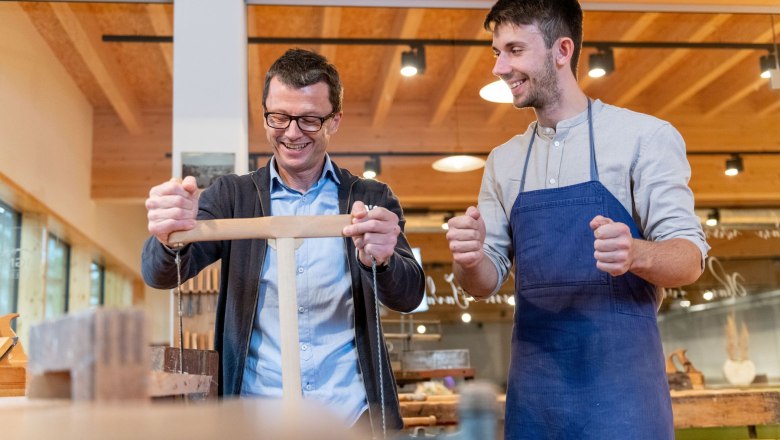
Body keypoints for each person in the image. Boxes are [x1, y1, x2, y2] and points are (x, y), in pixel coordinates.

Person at [445, 1, 710, 438]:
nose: (498, 67)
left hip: (625, 399)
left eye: (513, 50)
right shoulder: (503, 162)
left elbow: (689, 259)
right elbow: (482, 283)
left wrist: (635, 253)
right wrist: (469, 258)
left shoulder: (644, 138)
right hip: (535, 399)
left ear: (561, 50)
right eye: (495, 52)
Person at [142, 48, 425, 435]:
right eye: (279, 117)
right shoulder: (231, 196)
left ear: (334, 120)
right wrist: (169, 235)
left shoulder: (370, 197)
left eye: (309, 119)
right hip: (256, 421)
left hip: (352, 418)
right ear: (265, 115)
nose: (292, 132)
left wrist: (385, 260)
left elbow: (409, 296)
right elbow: (160, 273)